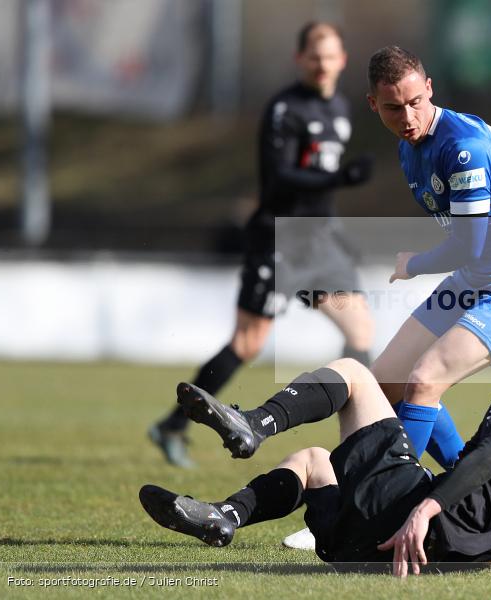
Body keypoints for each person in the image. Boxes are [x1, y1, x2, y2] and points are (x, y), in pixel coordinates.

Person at [139, 339, 491, 577]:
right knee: (313, 462)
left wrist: (425, 510)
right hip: (385, 555)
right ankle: (224, 516)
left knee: (354, 374)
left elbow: (486, 459)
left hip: (406, 521)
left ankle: (257, 423)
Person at [149, 22, 375, 468]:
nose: (323, 64)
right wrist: (340, 177)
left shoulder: (342, 109)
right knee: (248, 344)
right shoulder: (284, 108)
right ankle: (172, 424)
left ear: (343, 59)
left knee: (361, 333)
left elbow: (317, 192)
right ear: (300, 59)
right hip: (277, 239)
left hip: (319, 243)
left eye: (330, 56)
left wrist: (338, 233)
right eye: (315, 55)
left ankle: (357, 443)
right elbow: (280, 179)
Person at [364, 46, 491, 474]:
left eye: (416, 102)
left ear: (430, 88)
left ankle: (378, 506)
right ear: (373, 105)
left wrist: (413, 264)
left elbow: (467, 245)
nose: (408, 118)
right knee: (386, 381)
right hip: (476, 278)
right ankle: (468, 485)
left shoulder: (464, 147)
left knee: (424, 381)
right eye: (394, 108)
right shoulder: (409, 146)